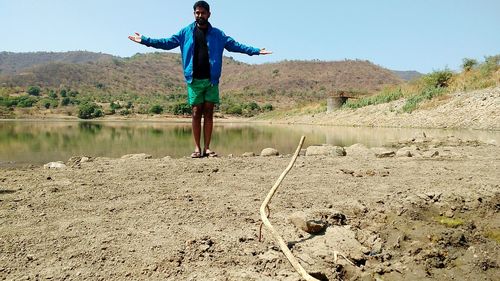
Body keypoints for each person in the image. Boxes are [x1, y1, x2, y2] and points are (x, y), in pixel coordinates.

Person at [128, 1, 272, 158]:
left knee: (209, 113)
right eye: (197, 13)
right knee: (196, 112)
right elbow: (166, 43)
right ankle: (197, 148)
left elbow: (236, 46)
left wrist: (256, 51)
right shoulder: (185, 32)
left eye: (203, 13)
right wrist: (145, 40)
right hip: (194, 80)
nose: (200, 15)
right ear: (194, 14)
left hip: (211, 80)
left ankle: (207, 148)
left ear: (209, 14)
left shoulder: (218, 34)